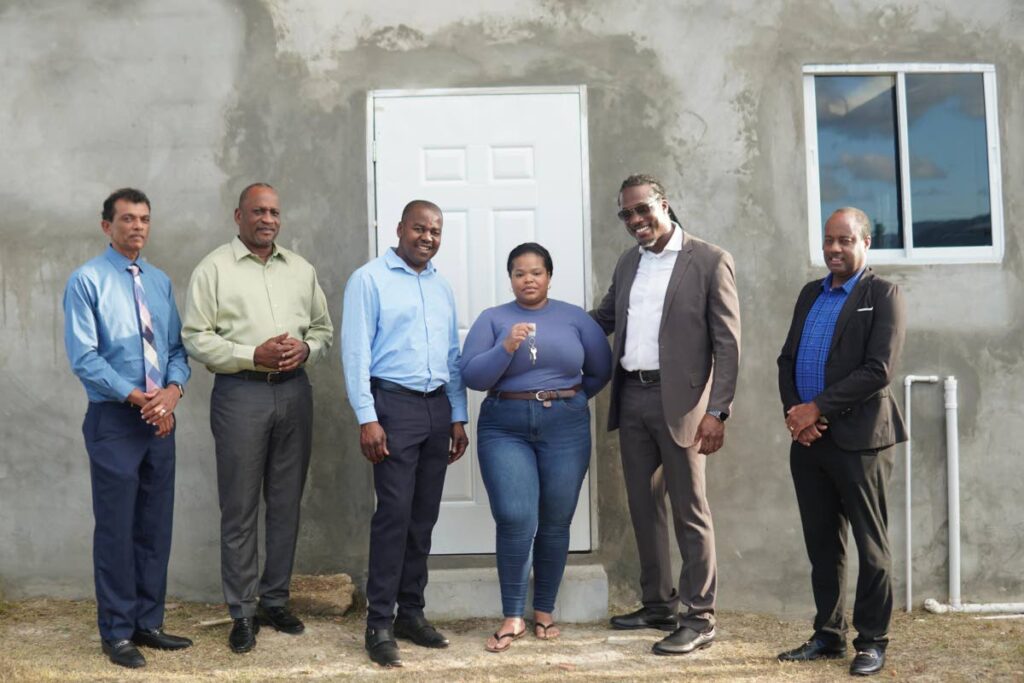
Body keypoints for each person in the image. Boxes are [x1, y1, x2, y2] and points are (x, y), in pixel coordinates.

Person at [181, 183, 333, 653]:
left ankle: (276, 600)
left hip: (294, 393)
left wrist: (306, 348)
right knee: (241, 507)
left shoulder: (300, 269)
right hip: (240, 396)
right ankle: (242, 611)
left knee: (286, 503)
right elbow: (195, 337)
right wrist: (253, 355)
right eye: (258, 211)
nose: (268, 219)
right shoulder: (213, 269)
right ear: (238, 216)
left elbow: (323, 329)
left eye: (274, 212)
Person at [592, 173, 740, 656]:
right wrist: (549, 322)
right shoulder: (628, 263)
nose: (635, 220)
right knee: (643, 506)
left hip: (685, 407)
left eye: (642, 210)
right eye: (626, 214)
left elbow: (728, 344)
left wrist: (718, 410)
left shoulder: (710, 260)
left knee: (690, 512)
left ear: (663, 204)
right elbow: (603, 320)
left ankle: (699, 618)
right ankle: (658, 604)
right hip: (632, 398)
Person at [460, 243, 612, 653]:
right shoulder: (493, 319)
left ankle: (543, 609)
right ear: (510, 278)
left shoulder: (574, 318)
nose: (528, 280)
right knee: (514, 517)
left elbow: (601, 369)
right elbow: (473, 375)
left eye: (536, 272)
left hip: (566, 426)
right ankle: (513, 616)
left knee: (557, 519)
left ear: (549, 275)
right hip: (504, 426)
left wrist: (571, 398)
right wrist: (506, 346)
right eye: (519, 273)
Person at [63, 188, 193, 669]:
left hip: (161, 420)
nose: (137, 227)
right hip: (116, 420)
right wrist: (143, 399)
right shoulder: (87, 281)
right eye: (127, 219)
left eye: (144, 219)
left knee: (154, 526)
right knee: (116, 529)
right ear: (106, 226)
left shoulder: (158, 281)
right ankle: (116, 632)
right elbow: (85, 357)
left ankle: (148, 623)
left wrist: (172, 393)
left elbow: (176, 350)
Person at [776, 207, 906, 677]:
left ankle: (872, 641)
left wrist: (818, 408)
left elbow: (879, 369)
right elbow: (786, 359)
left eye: (844, 240)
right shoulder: (811, 293)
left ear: (865, 243)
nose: (834, 248)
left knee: (872, 547)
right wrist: (797, 417)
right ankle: (828, 634)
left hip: (859, 440)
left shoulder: (882, 294)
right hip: (809, 441)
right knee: (822, 545)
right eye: (828, 240)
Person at [341, 199, 469, 668]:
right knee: (393, 516)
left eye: (436, 230)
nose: (428, 237)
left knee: (423, 518)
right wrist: (367, 417)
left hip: (436, 409)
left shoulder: (441, 286)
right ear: (400, 229)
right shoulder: (369, 279)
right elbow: (356, 353)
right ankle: (378, 622)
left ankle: (411, 613)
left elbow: (452, 357)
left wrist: (457, 415)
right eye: (420, 228)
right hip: (392, 406)